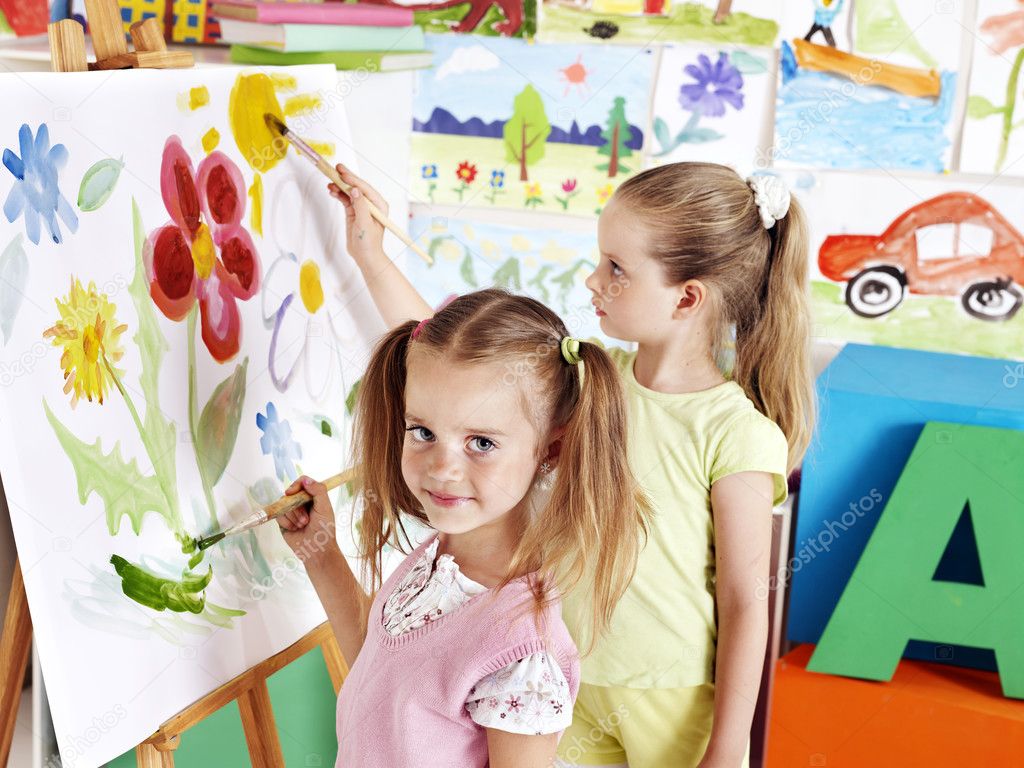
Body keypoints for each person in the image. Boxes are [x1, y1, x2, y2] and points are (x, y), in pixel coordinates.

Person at [278, 284, 650, 767]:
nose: (441, 468)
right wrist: (320, 555)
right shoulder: (439, 560)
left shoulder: (520, 653)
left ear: (551, 450)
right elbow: (380, 669)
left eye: (481, 443)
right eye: (423, 432)